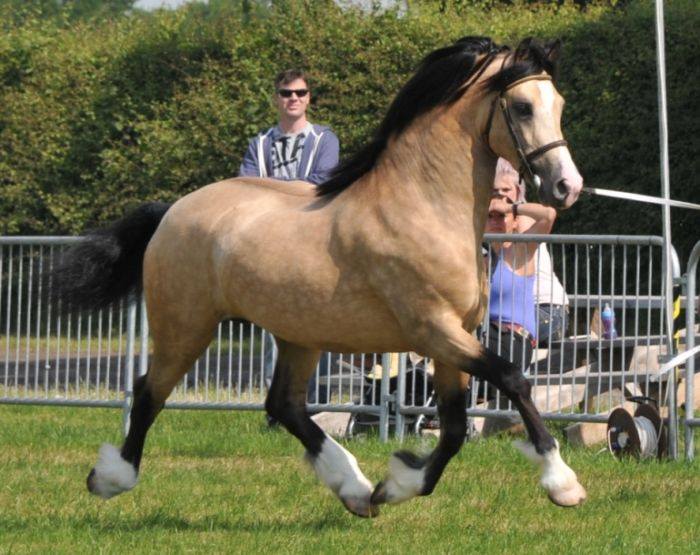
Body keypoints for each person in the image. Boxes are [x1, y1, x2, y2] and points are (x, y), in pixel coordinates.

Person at [238, 69, 339, 408]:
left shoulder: (324, 139)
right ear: (276, 98)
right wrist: (288, 192)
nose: (292, 98)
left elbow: (321, 182)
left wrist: (273, 192)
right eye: (285, 93)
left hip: (313, 240)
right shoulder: (261, 143)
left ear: (309, 97)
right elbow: (246, 186)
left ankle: (316, 404)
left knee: (320, 318)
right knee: (274, 323)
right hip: (271, 242)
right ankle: (278, 405)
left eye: (299, 92)